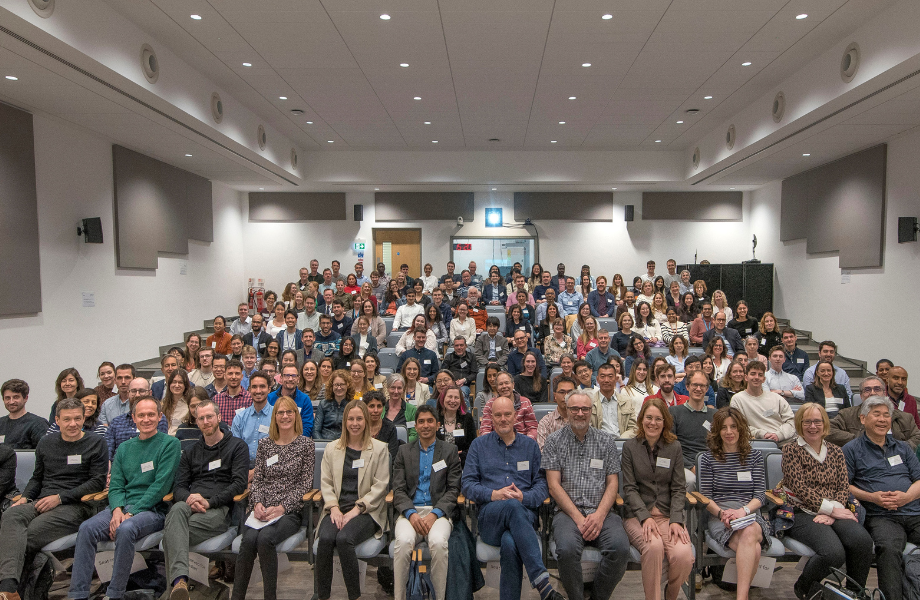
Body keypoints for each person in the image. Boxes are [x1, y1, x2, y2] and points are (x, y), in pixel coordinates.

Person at [70, 396, 181, 600]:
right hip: (122, 508)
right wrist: (117, 510)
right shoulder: (124, 448)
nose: (146, 419)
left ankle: (115, 593)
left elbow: (160, 487)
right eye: (141, 415)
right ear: (134, 418)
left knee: (126, 528)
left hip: (152, 509)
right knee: (86, 528)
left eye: (151, 414)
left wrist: (130, 513)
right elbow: (116, 485)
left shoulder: (170, 444)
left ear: (160, 417)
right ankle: (78, 594)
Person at [0, 398, 107, 600]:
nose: (73, 424)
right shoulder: (46, 443)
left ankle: (14, 589)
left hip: (77, 505)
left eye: (77, 418)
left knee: (25, 536)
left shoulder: (96, 443)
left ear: (84, 418)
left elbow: (97, 483)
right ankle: (10, 588)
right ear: (57, 420)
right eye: (67, 419)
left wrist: (59, 498)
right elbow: (37, 477)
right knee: (11, 515)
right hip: (41, 501)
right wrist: (25, 498)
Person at [462, 396, 564, 600]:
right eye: (498, 415)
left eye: (507, 414)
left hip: (524, 515)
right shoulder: (478, 446)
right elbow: (467, 485)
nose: (503, 419)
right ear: (490, 418)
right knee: (510, 506)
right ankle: (543, 584)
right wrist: (493, 494)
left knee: (510, 542)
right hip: (491, 517)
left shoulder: (530, 446)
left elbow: (542, 485)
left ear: (516, 416)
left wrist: (524, 497)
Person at [780, 402, 875, 600]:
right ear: (800, 424)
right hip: (801, 512)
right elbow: (800, 489)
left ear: (824, 424)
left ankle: (853, 593)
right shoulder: (790, 450)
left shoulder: (836, 451)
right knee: (833, 553)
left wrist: (833, 513)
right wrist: (831, 510)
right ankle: (803, 587)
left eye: (817, 421)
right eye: (807, 422)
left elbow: (843, 486)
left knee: (862, 542)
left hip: (835, 511)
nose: (812, 426)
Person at [543, 389, 630, 600]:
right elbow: (554, 486)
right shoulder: (554, 441)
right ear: (567, 410)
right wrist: (578, 518)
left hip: (601, 510)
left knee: (620, 548)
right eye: (575, 408)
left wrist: (599, 516)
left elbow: (612, 484)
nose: (580, 413)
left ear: (591, 411)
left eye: (585, 409)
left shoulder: (606, 441)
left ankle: (598, 596)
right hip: (567, 512)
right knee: (567, 549)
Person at [163, 398, 248, 599]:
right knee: (176, 510)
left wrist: (210, 502)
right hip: (191, 506)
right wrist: (190, 498)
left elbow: (239, 484)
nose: (206, 421)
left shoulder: (237, 447)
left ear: (219, 417)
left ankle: (175, 588)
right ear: (197, 421)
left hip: (218, 510)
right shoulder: (191, 451)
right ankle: (181, 582)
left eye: (209, 416)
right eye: (201, 418)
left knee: (170, 535)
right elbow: (179, 487)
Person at [233, 396, 314, 600]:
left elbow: (305, 485)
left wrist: (282, 508)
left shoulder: (306, 445)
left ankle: (270, 596)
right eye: (280, 412)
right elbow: (258, 480)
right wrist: (257, 503)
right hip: (262, 509)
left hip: (289, 511)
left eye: (289, 412)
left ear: (296, 416)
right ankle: (237, 596)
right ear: (274, 417)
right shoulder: (265, 445)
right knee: (249, 539)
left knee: (266, 539)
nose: (285, 416)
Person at [844, 395, 920, 600]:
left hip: (914, 511)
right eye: (876, 414)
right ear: (863, 419)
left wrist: (906, 497)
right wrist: (872, 497)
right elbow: (844, 486)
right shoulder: (851, 450)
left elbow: (919, 480)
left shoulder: (903, 448)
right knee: (887, 549)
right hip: (881, 516)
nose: (882, 419)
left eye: (886, 415)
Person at [315, 400, 389, 600]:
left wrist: (357, 509)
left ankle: (354, 596)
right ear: (344, 421)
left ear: (366, 421)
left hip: (366, 510)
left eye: (359, 419)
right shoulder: (332, 449)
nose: (355, 423)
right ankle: (322, 595)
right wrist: (334, 508)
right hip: (337, 508)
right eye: (350, 419)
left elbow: (381, 486)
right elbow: (326, 483)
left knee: (344, 539)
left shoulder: (380, 449)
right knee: (327, 539)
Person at [621, 397, 694, 600]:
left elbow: (679, 488)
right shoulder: (630, 448)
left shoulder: (674, 447)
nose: (653, 423)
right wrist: (645, 517)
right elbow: (629, 488)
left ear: (665, 422)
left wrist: (677, 519)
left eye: (658, 419)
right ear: (641, 419)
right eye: (649, 418)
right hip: (638, 516)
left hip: (667, 515)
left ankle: (671, 594)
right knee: (653, 547)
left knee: (683, 556)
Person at [698, 406, 769, 600]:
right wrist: (722, 514)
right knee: (753, 546)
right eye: (724, 427)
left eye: (733, 427)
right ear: (717, 431)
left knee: (751, 529)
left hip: (749, 512)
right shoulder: (707, 459)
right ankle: (742, 597)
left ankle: (741, 597)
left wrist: (743, 511)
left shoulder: (754, 456)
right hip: (720, 516)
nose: (729, 432)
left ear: (741, 429)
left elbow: (760, 496)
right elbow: (705, 497)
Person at [391, 405, 461, 600]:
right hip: (410, 512)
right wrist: (411, 514)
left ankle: (439, 597)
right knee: (403, 542)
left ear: (437, 424)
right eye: (421, 421)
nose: (425, 425)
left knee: (438, 543)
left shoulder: (449, 451)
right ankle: (399, 597)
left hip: (438, 513)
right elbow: (398, 489)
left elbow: (453, 489)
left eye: (430, 421)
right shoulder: (404, 451)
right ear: (416, 425)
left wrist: (434, 514)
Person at [828, 377, 920, 449]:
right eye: (867, 390)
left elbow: (917, 436)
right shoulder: (846, 414)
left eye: (877, 389)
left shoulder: (905, 417)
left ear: (884, 393)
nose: (872, 393)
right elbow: (827, 430)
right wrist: (858, 440)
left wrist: (901, 448)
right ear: (861, 395)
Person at [730, 361, 796, 446]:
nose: (756, 377)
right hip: (756, 443)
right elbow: (739, 426)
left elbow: (791, 421)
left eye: (760, 375)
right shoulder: (737, 399)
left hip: (785, 442)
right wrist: (762, 434)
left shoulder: (777, 398)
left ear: (764, 379)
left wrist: (779, 435)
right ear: (746, 377)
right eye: (753, 374)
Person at [670, 370, 715, 490]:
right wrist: (691, 466)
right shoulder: (674, 412)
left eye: (702, 386)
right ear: (687, 386)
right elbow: (670, 446)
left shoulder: (715, 415)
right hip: (683, 465)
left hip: (710, 464)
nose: (698, 389)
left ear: (707, 389)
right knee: (690, 480)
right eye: (695, 385)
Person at [479, 372, 539, 440]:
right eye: (501, 384)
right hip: (497, 443)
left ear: (513, 385)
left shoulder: (525, 402)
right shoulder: (490, 405)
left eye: (507, 383)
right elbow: (485, 429)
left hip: (522, 443)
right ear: (497, 388)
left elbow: (533, 428)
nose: (504, 386)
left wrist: (526, 442)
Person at [0, 379, 48, 449]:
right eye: (7, 398)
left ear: (25, 398)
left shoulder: (38, 424)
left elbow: (45, 452)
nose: (11, 402)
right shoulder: (1, 423)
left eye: (16, 397)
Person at [213, 359, 252, 425]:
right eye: (230, 373)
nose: (233, 377)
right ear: (225, 376)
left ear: (242, 377)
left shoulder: (250, 399)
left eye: (237, 374)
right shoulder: (216, 400)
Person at [161, 369, 192, 435]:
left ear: (185, 385)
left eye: (180, 382)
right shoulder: (163, 403)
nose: (177, 385)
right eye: (174, 382)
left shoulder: (190, 403)